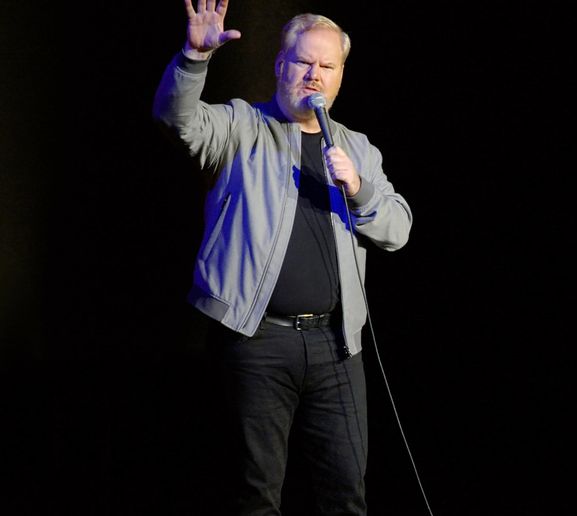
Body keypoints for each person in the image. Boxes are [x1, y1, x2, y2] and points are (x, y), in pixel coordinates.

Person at [152, 1, 413, 514]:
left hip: (338, 346)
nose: (314, 75)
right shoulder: (242, 126)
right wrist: (192, 60)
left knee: (346, 493)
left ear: (340, 77)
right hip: (257, 341)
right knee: (255, 493)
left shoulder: (357, 149)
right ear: (280, 65)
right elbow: (175, 119)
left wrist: (359, 190)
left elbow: (398, 230)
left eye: (327, 66)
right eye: (303, 62)